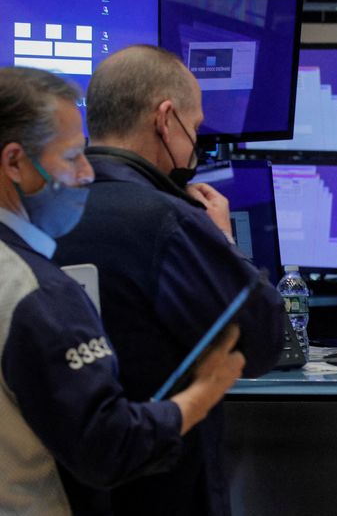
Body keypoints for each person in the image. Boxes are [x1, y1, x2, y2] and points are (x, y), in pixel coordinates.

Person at [0, 67, 246, 515]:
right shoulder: (36, 291)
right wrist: (201, 394)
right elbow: (108, 446)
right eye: (73, 156)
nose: (87, 173)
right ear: (14, 162)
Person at [53, 45, 286, 515]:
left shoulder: (42, 215)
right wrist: (223, 240)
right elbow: (260, 339)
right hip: (164, 485)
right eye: (195, 128)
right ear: (166, 119)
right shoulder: (169, 222)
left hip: (64, 489)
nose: (194, 144)